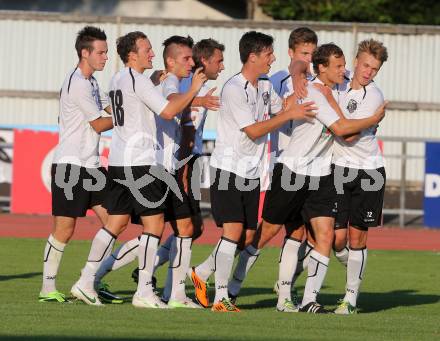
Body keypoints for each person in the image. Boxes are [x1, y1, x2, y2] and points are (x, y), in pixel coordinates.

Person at [233, 43, 386, 313]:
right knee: (268, 232)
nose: (346, 71)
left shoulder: (346, 84)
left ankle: (308, 300)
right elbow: (343, 130)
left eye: (374, 68)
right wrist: (374, 118)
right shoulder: (316, 93)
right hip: (293, 171)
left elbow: (308, 64)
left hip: (324, 173)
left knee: (324, 236)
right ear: (324, 68)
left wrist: (300, 75)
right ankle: (231, 287)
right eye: (340, 66)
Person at [70, 31, 206, 307]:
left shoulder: (119, 78)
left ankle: (85, 281)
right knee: (154, 225)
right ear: (132, 54)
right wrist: (193, 90)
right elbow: (167, 112)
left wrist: (155, 83)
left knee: (115, 223)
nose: (152, 54)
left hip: (120, 160)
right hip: (141, 161)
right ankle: (144, 291)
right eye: (147, 49)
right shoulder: (138, 80)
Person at [191, 31, 317, 312]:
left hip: (251, 172)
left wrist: (297, 96)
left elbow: (278, 109)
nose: (273, 59)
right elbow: (254, 130)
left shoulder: (263, 85)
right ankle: (222, 297)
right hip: (228, 169)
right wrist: (289, 114)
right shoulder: (233, 89)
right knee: (233, 232)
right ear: (253, 57)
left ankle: (200, 272)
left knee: (247, 236)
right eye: (269, 54)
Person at [229, 27, 319, 308]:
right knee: (266, 232)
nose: (308, 59)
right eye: (304, 53)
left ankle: (283, 293)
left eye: (313, 53)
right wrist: (295, 73)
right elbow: (277, 113)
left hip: (311, 166)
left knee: (301, 233)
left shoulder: (316, 81)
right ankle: (225, 281)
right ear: (292, 54)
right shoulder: (277, 80)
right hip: (285, 164)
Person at [39, 26, 114, 303]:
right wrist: (126, 118)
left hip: (92, 166)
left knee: (114, 221)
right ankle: (47, 289)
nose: (106, 57)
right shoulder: (78, 84)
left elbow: (111, 107)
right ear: (85, 53)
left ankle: (91, 280)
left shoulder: (93, 82)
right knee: (64, 229)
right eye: (101, 52)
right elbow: (101, 123)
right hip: (71, 167)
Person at [331, 39, 388, 314]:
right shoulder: (336, 84)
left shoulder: (374, 96)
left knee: (357, 237)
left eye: (374, 69)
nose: (368, 72)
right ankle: (355, 268)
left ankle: (350, 298)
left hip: (368, 171)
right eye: (366, 65)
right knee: (336, 239)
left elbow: (349, 133)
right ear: (356, 61)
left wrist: (330, 125)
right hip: (339, 169)